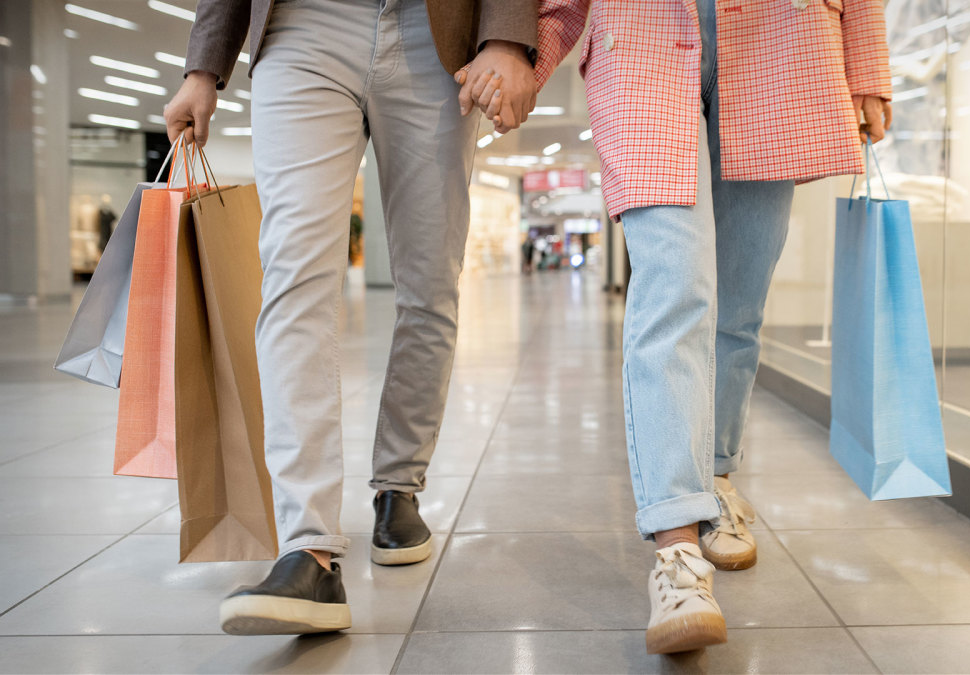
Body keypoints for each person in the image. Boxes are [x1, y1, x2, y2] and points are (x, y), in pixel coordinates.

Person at [495, 0, 893, 655]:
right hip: (641, 33)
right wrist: (520, 52)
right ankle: (678, 551)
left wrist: (866, 64)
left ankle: (717, 473)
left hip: (781, 37)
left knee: (740, 298)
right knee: (675, 285)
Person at [164, 0, 539, 635]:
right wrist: (204, 64)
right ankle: (306, 546)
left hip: (434, 33)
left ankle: (399, 486)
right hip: (303, 27)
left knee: (428, 284)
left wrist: (507, 34)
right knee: (294, 280)